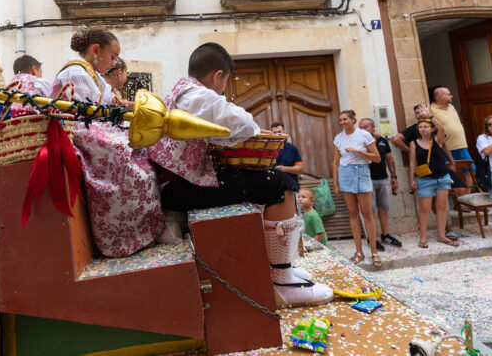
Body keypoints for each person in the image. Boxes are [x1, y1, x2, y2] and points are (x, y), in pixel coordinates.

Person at [152, 43, 333, 307]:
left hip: (178, 183)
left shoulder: (179, 93)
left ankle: (282, 268)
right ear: (218, 75)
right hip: (180, 187)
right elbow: (245, 124)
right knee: (278, 183)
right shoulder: (199, 97)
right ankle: (282, 282)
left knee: (268, 180)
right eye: (226, 81)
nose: (225, 88)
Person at [53, 27, 162, 257]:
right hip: (83, 130)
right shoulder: (76, 73)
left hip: (96, 127)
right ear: (95, 50)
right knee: (125, 153)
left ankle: (142, 233)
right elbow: (90, 114)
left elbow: (114, 103)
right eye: (112, 57)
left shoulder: (92, 74)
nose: (113, 63)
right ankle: (121, 241)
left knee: (140, 145)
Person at [332, 110, 382, 268]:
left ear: (353, 120)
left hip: (361, 173)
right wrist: (335, 183)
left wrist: (359, 152)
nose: (342, 122)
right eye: (340, 120)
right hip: (345, 174)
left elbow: (377, 158)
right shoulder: (338, 138)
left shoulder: (364, 135)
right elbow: (335, 162)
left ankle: (374, 252)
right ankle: (359, 252)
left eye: (345, 119)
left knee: (367, 214)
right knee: (353, 214)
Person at [409, 118, 459, 248]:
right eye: (420, 127)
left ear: (432, 129)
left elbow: (442, 129)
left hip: (442, 178)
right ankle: (423, 237)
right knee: (425, 209)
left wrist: (430, 116)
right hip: (425, 180)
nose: (423, 129)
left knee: (442, 208)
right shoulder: (414, 143)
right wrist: (411, 180)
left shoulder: (437, 140)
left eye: (426, 126)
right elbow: (412, 162)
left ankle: (442, 235)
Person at [359, 117, 402, 250]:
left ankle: (385, 235)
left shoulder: (383, 141)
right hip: (367, 180)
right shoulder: (359, 142)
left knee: (383, 208)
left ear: (373, 127)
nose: (362, 129)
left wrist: (393, 176)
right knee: (369, 210)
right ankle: (371, 238)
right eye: (360, 127)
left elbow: (389, 158)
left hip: (383, 179)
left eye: (365, 127)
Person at [430, 86, 474, 197]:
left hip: (461, 146)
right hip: (447, 149)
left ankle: (467, 198)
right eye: (449, 94)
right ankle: (457, 201)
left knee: (471, 171)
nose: (452, 96)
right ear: (441, 96)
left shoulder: (451, 107)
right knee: (450, 174)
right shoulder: (431, 109)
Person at [271, 122, 304, 188]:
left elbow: (300, 169)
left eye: (279, 131)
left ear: (283, 132)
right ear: (271, 133)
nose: (278, 134)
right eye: (275, 132)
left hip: (291, 185)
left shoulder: (292, 148)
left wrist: (284, 169)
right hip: (273, 186)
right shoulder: (267, 149)